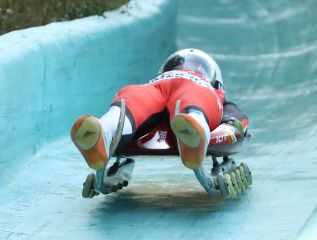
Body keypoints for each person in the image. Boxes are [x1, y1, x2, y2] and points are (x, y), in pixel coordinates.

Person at [71, 48, 248, 173]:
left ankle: (106, 129)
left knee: (132, 96)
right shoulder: (207, 87)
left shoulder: (200, 86)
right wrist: (225, 134)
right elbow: (238, 123)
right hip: (170, 89)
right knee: (136, 97)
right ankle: (195, 129)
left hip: (157, 88)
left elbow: (235, 121)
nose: (186, 70)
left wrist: (227, 130)